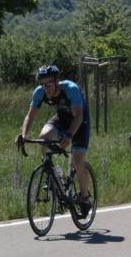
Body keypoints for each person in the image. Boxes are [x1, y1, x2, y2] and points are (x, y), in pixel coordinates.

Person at [15, 65, 93, 217]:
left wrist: (69, 135)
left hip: (80, 121)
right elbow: (30, 116)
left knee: (77, 160)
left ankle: (84, 198)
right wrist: (23, 135)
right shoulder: (40, 92)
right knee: (44, 139)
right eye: (43, 84)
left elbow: (78, 116)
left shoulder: (70, 88)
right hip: (62, 118)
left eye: (49, 84)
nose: (46, 88)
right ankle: (56, 176)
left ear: (57, 81)